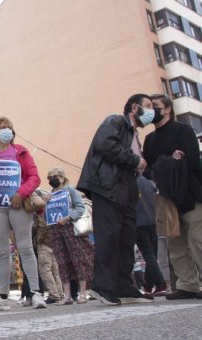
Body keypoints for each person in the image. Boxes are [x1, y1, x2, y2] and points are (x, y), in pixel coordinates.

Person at [77, 94, 155, 305]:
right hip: (107, 187)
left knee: (126, 239)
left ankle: (123, 286)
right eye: (148, 106)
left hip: (127, 190)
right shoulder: (115, 120)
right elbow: (105, 144)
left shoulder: (133, 133)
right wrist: (134, 159)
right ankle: (103, 287)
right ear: (134, 107)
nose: (151, 111)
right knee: (109, 236)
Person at [0, 117, 45, 311]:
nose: (7, 131)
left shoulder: (21, 152)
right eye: (3, 128)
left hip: (18, 204)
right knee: (2, 251)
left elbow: (34, 177)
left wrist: (20, 193)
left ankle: (37, 294)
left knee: (26, 247)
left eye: (10, 129)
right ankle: (3, 297)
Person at [144, 94, 202, 300]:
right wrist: (170, 161)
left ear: (167, 108)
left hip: (192, 194)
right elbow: (148, 169)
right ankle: (188, 285)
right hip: (167, 199)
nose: (150, 111)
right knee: (176, 244)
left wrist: (165, 165)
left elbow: (193, 160)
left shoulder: (183, 130)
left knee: (198, 240)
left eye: (155, 106)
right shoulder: (149, 139)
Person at [44, 168, 94, 304]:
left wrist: (68, 217)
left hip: (70, 228)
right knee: (62, 261)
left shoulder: (70, 190)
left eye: (55, 176)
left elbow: (80, 207)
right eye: (49, 178)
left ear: (62, 178)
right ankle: (67, 296)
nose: (52, 180)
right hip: (55, 230)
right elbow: (46, 216)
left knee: (78, 259)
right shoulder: (49, 195)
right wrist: (45, 203)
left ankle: (82, 293)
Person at [135, 175, 167, 297]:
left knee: (148, 255)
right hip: (152, 221)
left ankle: (160, 283)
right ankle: (149, 286)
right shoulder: (148, 183)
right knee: (151, 255)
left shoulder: (130, 183)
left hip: (138, 223)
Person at [33, 216, 65, 305]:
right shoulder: (52, 213)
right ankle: (60, 294)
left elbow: (37, 227)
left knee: (45, 271)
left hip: (43, 245)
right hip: (53, 245)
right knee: (55, 272)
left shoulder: (39, 215)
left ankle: (53, 295)